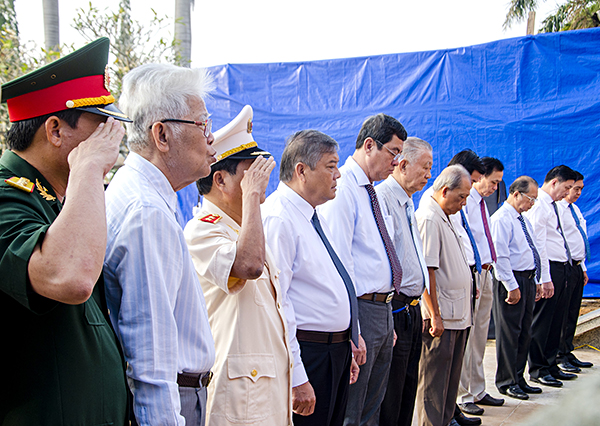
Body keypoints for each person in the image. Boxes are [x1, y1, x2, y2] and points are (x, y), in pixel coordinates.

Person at [0, 38, 130, 425]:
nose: (114, 140)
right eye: (102, 127)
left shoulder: (59, 201)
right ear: (55, 130)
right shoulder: (8, 197)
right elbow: (69, 277)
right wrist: (88, 168)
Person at [103, 63, 216, 425]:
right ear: (162, 135)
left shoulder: (144, 193)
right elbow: (150, 356)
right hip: (173, 399)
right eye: (202, 125)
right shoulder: (146, 212)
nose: (210, 137)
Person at [184, 105, 292, 426]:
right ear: (220, 180)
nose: (260, 183)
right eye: (250, 174)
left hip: (265, 389)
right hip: (240, 397)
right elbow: (248, 265)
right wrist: (252, 194)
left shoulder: (243, 229)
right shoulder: (203, 229)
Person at [262, 129, 361, 426]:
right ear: (301, 171)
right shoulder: (279, 218)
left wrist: (346, 341)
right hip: (310, 355)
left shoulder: (311, 215)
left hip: (333, 351)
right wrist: (297, 376)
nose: (339, 174)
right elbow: (279, 305)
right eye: (331, 166)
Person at [319, 113, 407, 426]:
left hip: (381, 310)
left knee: (373, 402)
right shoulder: (343, 190)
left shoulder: (371, 191)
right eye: (394, 152)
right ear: (369, 145)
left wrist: (386, 317)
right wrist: (354, 326)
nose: (397, 162)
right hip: (361, 309)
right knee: (353, 407)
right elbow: (341, 262)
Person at [420, 150, 485, 426]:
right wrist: (434, 313)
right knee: (434, 382)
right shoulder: (430, 216)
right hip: (443, 314)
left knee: (449, 377)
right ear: (445, 191)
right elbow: (428, 272)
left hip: (457, 310)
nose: (464, 203)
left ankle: (447, 420)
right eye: (462, 197)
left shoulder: (446, 213)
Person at [377, 137, 432, 426]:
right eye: (425, 167)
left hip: (411, 308)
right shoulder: (384, 198)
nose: (428, 174)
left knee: (409, 385)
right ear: (403, 164)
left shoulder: (408, 201)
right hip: (394, 309)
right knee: (391, 391)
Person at [457, 157, 506, 416]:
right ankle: (463, 394)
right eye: (493, 182)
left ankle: (477, 388)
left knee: (480, 337)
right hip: (473, 273)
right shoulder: (465, 204)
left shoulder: (482, 205)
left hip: (487, 272)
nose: (495, 188)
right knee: (468, 337)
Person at [524, 165, 578, 388]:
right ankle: (538, 368)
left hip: (561, 267)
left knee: (557, 319)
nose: (567, 193)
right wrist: (543, 277)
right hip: (549, 269)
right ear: (554, 182)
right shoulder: (540, 206)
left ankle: (550, 363)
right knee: (543, 321)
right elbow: (539, 245)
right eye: (565, 188)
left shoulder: (554, 206)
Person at [491, 176, 543, 400]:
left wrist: (537, 279)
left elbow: (531, 250)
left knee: (524, 331)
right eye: (530, 198)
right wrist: (511, 285)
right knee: (510, 333)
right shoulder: (502, 219)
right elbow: (500, 256)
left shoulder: (522, 218)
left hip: (527, 279)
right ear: (516, 194)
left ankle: (519, 377)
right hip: (511, 280)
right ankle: (507, 380)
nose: (532, 203)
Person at [557, 172, 594, 371]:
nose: (578, 192)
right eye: (575, 188)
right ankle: (558, 354)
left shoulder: (575, 209)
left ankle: (567, 350)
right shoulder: (558, 210)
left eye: (581, 189)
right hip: (565, 265)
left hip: (578, 266)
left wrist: (584, 268)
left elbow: (579, 239)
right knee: (562, 313)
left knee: (573, 311)